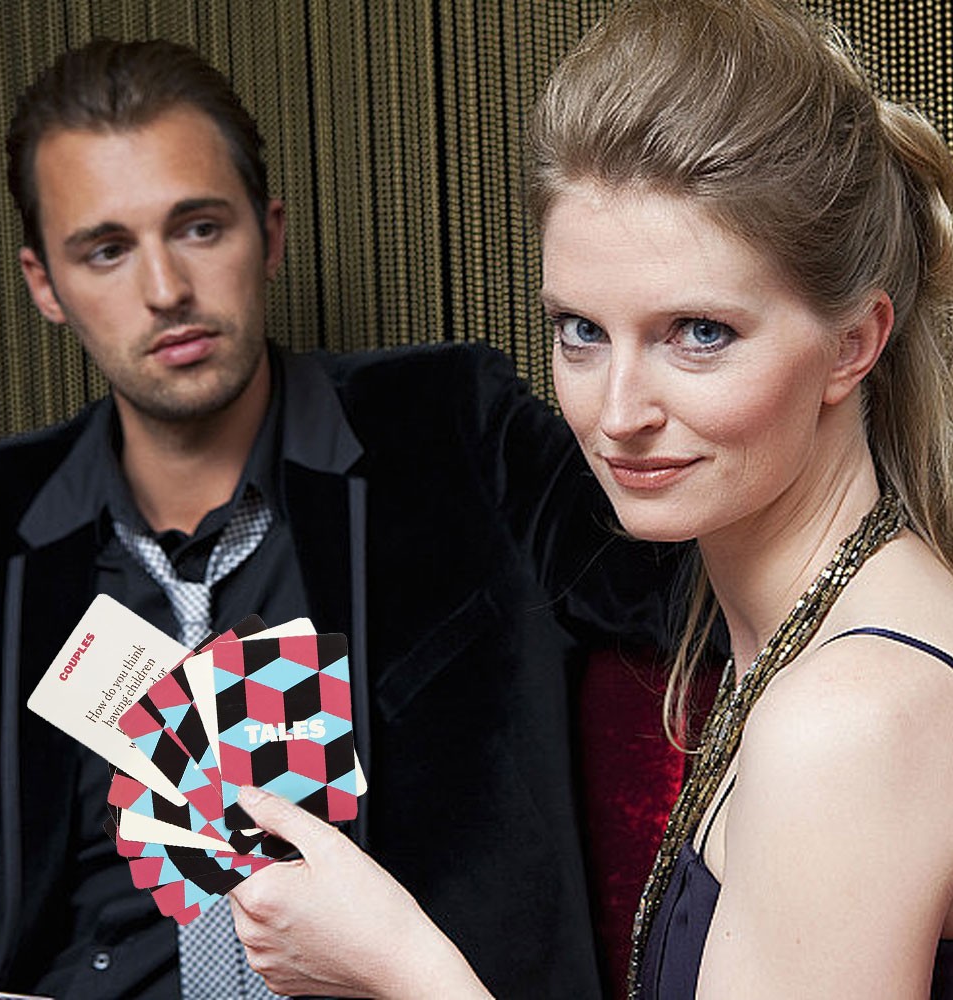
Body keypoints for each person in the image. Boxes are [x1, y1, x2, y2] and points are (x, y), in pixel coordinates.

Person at [215, 1, 953, 997]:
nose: (616, 414)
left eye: (699, 333)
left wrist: (400, 962)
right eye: (582, 332)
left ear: (853, 343)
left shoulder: (847, 720)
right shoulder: (795, 635)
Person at [0, 35, 679, 1000]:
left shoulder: (448, 429)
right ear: (45, 283)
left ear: (269, 233)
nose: (165, 290)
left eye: (200, 227)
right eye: (108, 250)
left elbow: (690, 584)